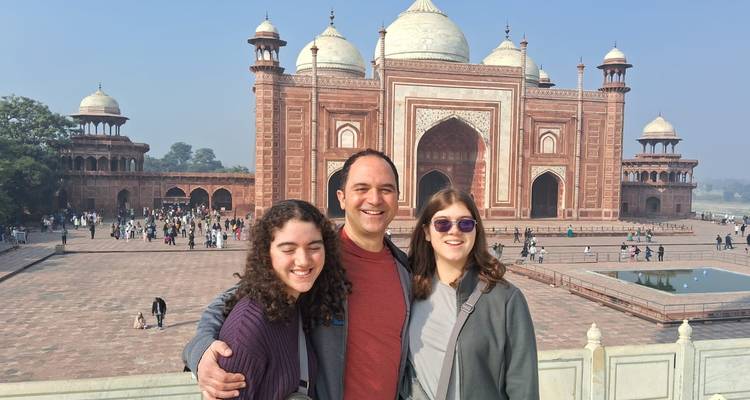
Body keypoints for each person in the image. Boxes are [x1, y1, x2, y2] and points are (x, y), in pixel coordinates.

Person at [182, 149, 411, 400]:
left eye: (386, 189)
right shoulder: (316, 261)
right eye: (362, 188)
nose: (375, 199)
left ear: (398, 198)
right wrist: (200, 349)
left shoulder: (406, 270)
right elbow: (237, 302)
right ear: (342, 197)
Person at [404, 189, 538, 399]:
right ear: (427, 232)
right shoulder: (408, 290)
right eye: (442, 223)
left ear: (476, 231)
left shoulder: (505, 300)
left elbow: (523, 387)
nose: (454, 231)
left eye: (465, 224)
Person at [217, 200, 350, 399]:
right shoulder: (248, 329)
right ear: (266, 253)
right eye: (288, 249)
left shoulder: (294, 303)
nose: (304, 260)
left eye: (314, 247)